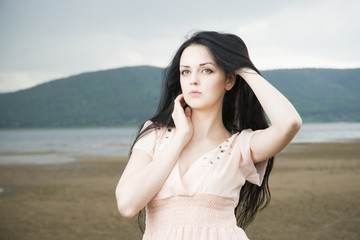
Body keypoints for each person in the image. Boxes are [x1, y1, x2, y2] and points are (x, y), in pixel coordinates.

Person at [115, 31, 302, 239]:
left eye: (206, 70)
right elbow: (127, 204)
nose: (193, 80)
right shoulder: (155, 133)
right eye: (185, 72)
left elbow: (289, 123)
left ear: (229, 80)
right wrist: (180, 138)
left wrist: (243, 67)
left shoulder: (239, 146)